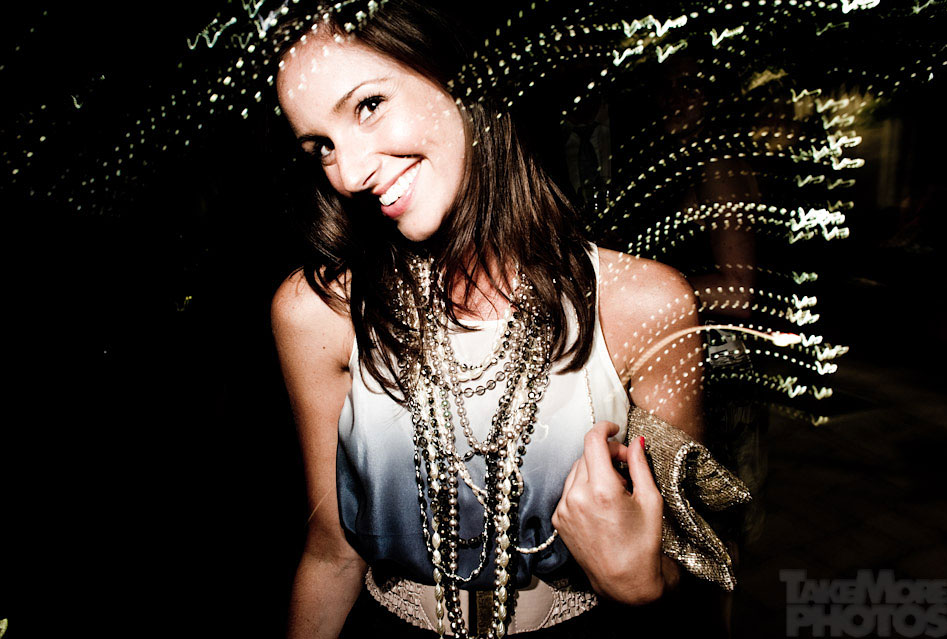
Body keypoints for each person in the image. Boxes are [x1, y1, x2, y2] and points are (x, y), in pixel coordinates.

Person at [270, 2, 721, 637]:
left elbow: (694, 565)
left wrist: (645, 584)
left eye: (368, 105)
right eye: (321, 146)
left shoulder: (641, 304)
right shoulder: (321, 311)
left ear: (464, 76)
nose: (349, 173)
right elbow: (330, 551)